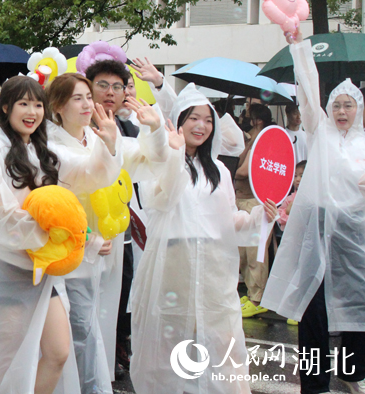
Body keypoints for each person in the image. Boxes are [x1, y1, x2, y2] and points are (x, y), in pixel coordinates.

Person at [0, 76, 121, 394]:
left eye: (38, 104)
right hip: (6, 270)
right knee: (8, 361)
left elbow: (87, 174)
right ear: (5, 108)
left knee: (58, 352)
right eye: (23, 103)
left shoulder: (42, 150)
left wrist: (108, 144)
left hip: (41, 269)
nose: (32, 111)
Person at [130, 84, 274, 394]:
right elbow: (159, 200)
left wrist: (261, 216)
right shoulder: (161, 160)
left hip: (213, 268)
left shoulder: (219, 170)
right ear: (179, 120)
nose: (201, 126)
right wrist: (174, 153)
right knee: (170, 342)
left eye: (208, 120)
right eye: (193, 118)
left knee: (220, 341)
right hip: (173, 262)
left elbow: (228, 222)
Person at [46, 72, 165, 394]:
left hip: (102, 253)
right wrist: (89, 239)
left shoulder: (99, 135)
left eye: (88, 96)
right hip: (69, 252)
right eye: (78, 98)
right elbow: (84, 178)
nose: (88, 104)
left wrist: (154, 128)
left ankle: (95, 386)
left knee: (94, 328)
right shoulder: (49, 145)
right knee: (77, 331)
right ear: (57, 105)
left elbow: (148, 158)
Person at [262, 29, 365, 394]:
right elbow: (308, 89)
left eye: (348, 105)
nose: (340, 111)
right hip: (319, 233)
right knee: (312, 311)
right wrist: (298, 46)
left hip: (356, 237)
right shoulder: (319, 132)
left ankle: (353, 372)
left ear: (359, 109)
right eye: (336, 104)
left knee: (356, 308)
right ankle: (314, 382)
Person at [235, 103, 274, 318]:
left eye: (247, 115)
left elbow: (243, 171)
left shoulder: (262, 140)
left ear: (257, 119)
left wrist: (226, 168)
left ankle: (257, 298)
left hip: (254, 202)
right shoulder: (249, 137)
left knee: (254, 254)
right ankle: (249, 293)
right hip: (240, 199)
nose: (243, 117)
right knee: (241, 251)